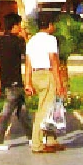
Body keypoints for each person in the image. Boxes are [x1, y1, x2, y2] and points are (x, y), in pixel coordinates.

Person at [0, 13, 31, 150]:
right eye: (19, 25)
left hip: (6, 80)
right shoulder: (17, 42)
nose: (20, 28)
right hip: (14, 81)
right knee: (7, 111)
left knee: (22, 111)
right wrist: (25, 38)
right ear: (14, 26)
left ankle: (32, 137)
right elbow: (30, 54)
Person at [26, 15, 65, 154]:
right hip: (47, 75)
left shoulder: (32, 40)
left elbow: (28, 63)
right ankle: (37, 144)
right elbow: (53, 60)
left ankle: (51, 140)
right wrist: (59, 82)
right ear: (49, 25)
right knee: (44, 110)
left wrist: (28, 82)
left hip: (36, 75)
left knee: (50, 107)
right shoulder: (50, 39)